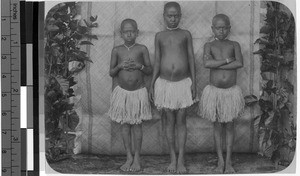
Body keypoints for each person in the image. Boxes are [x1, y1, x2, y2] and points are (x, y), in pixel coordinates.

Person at [149, 2, 197, 174]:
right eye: (170, 15)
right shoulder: (159, 36)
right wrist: (152, 84)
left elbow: (191, 58)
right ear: (164, 16)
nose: (173, 18)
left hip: (184, 83)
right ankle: (172, 158)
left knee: (181, 120)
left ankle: (182, 159)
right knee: (169, 121)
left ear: (180, 16)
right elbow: (157, 62)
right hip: (164, 84)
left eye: (176, 15)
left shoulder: (186, 34)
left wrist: (194, 83)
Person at [200, 14, 245, 174]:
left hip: (231, 92)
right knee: (218, 125)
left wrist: (216, 65)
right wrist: (226, 62)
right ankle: (220, 160)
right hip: (215, 92)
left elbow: (239, 63)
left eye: (224, 27)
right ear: (212, 29)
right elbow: (206, 63)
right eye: (218, 27)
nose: (221, 30)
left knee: (230, 126)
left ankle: (229, 161)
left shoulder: (235, 44)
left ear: (229, 28)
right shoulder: (209, 45)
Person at [107, 18, 153, 172]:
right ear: (121, 33)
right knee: (125, 125)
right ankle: (129, 157)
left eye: (132, 31)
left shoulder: (142, 49)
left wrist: (139, 66)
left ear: (137, 32)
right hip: (122, 93)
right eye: (126, 32)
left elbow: (149, 70)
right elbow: (111, 73)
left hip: (139, 92)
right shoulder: (117, 50)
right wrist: (120, 66)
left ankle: (137, 158)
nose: (129, 34)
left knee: (137, 125)